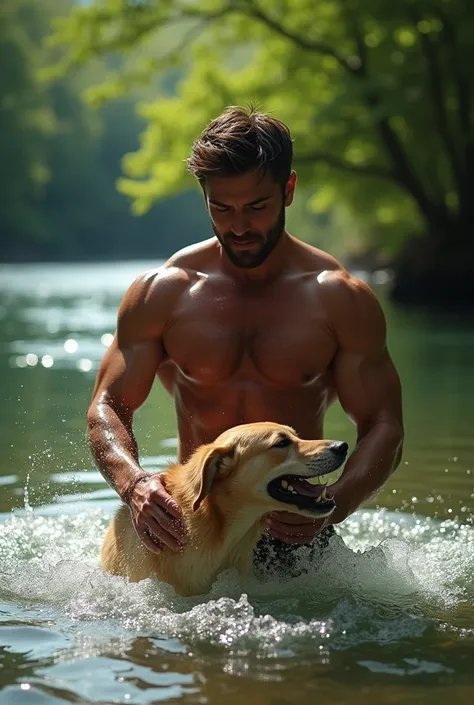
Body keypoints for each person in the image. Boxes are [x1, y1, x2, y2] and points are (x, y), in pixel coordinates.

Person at [87, 106, 403, 578]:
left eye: (257, 207)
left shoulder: (339, 299)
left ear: (288, 190)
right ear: (205, 198)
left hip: (291, 528)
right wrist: (133, 485)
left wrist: (337, 501)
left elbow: (384, 425)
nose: (238, 226)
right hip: (191, 522)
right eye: (221, 207)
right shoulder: (163, 294)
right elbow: (107, 406)